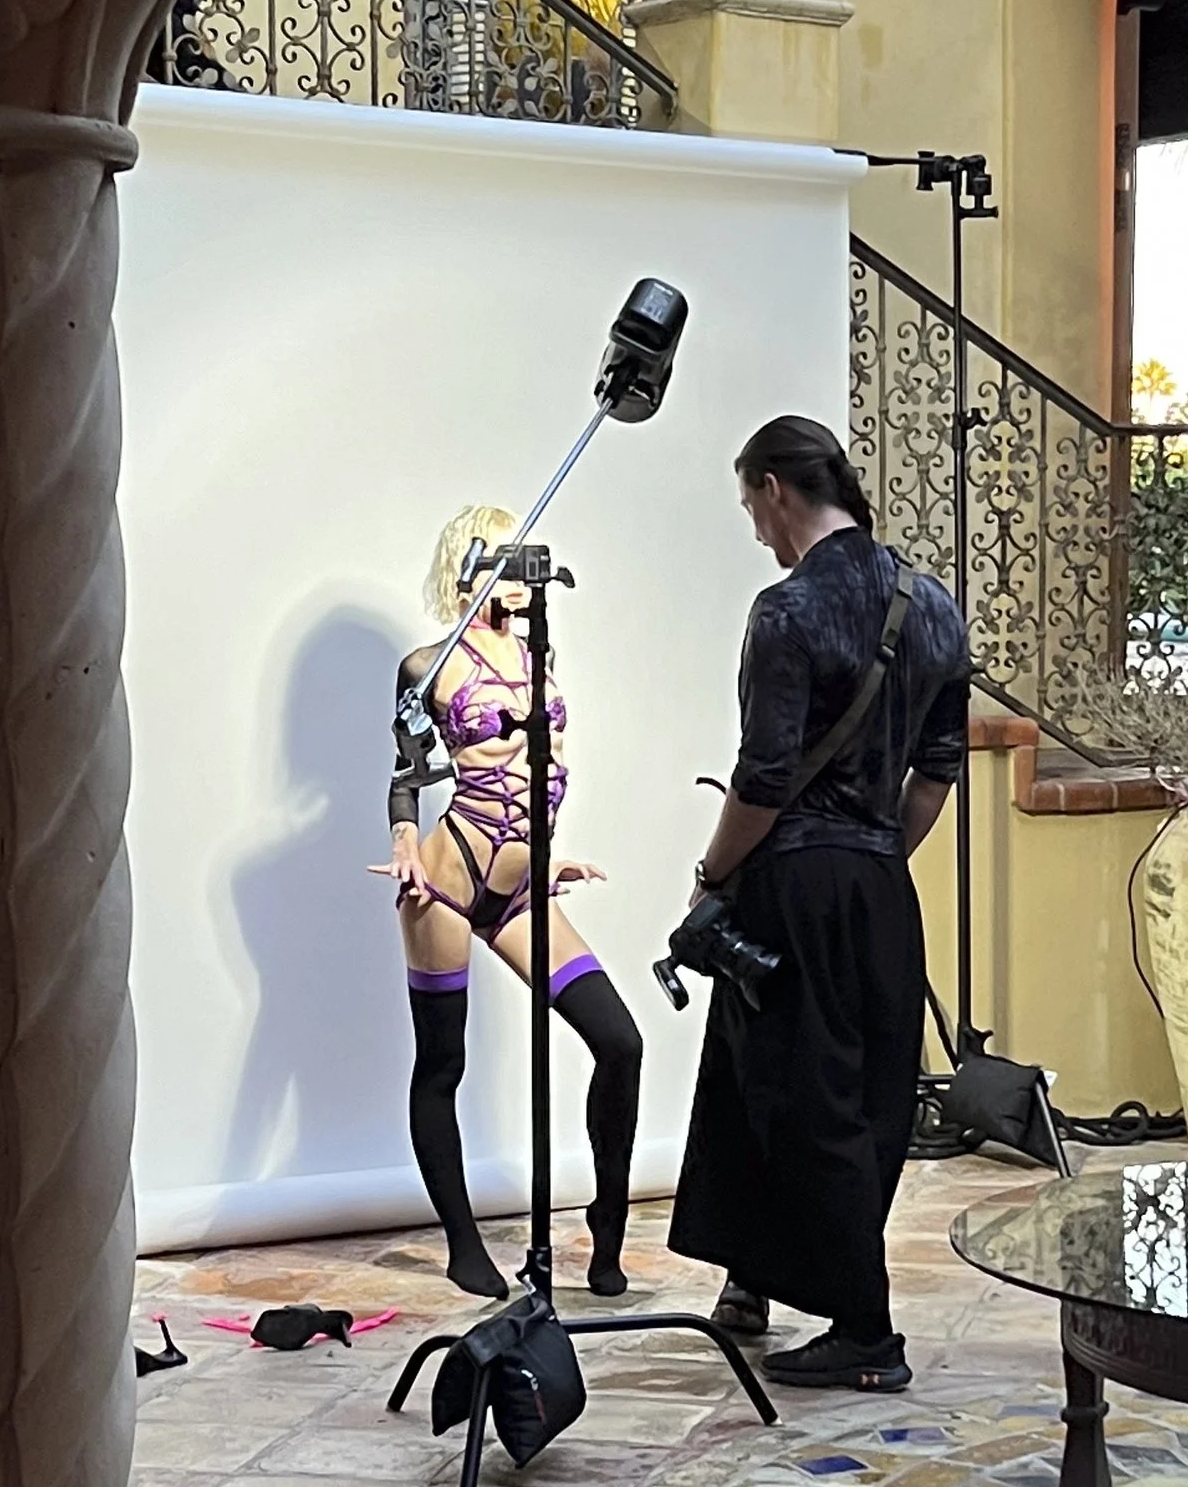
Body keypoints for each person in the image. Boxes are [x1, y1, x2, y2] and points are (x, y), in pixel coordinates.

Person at [668, 415, 969, 1392]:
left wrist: (713, 876)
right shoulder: (932, 606)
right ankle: (753, 1279)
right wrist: (873, 855)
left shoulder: (785, 611)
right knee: (864, 1092)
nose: (756, 529)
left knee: (796, 1095)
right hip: (882, 882)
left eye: (752, 507)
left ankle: (866, 1331)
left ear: (774, 490)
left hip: (792, 885)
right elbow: (934, 774)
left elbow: (760, 781)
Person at [385, 503, 642, 1301]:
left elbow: (538, 768)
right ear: (470, 565)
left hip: (524, 886)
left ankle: (608, 1230)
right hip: (449, 880)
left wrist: (547, 853)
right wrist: (402, 839)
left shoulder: (541, 655)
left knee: (620, 1042)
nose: (522, 576)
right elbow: (407, 771)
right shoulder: (429, 664)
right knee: (444, 1062)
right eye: (503, 557)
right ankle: (464, 1244)